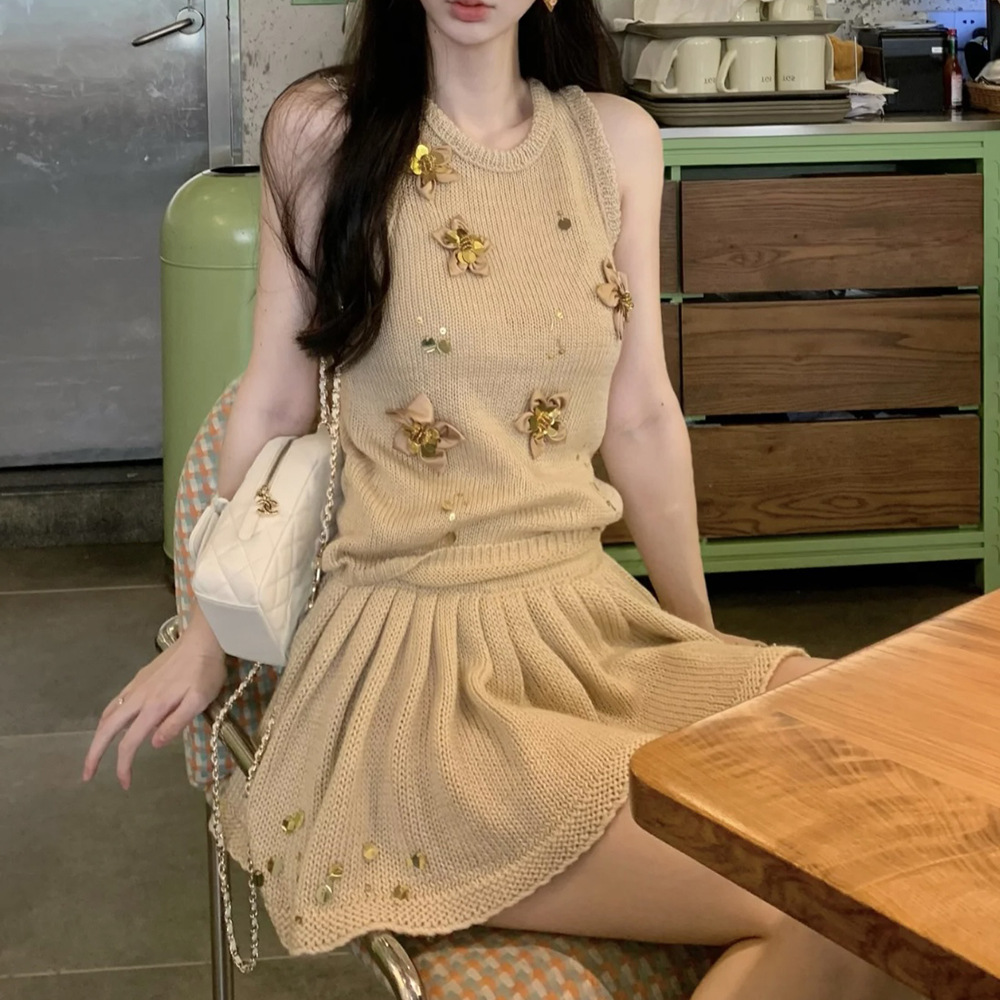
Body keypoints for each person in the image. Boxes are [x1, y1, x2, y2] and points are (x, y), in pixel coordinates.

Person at [83, 2, 920, 997]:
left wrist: (705, 653)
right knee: (827, 896)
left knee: (900, 788)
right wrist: (202, 631)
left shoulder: (616, 141)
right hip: (418, 677)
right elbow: (272, 397)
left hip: (589, 627)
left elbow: (641, 414)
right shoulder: (321, 133)